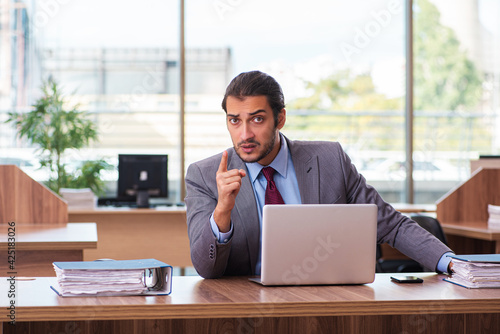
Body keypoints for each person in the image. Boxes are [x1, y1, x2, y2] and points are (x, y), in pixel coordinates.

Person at [185, 70, 453, 279]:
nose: (244, 134)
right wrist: (222, 211)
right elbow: (207, 269)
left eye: (257, 119)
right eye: (235, 120)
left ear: (280, 119)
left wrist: (453, 264)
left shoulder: (329, 160)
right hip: (248, 306)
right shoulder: (204, 175)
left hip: (323, 299)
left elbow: (391, 225)